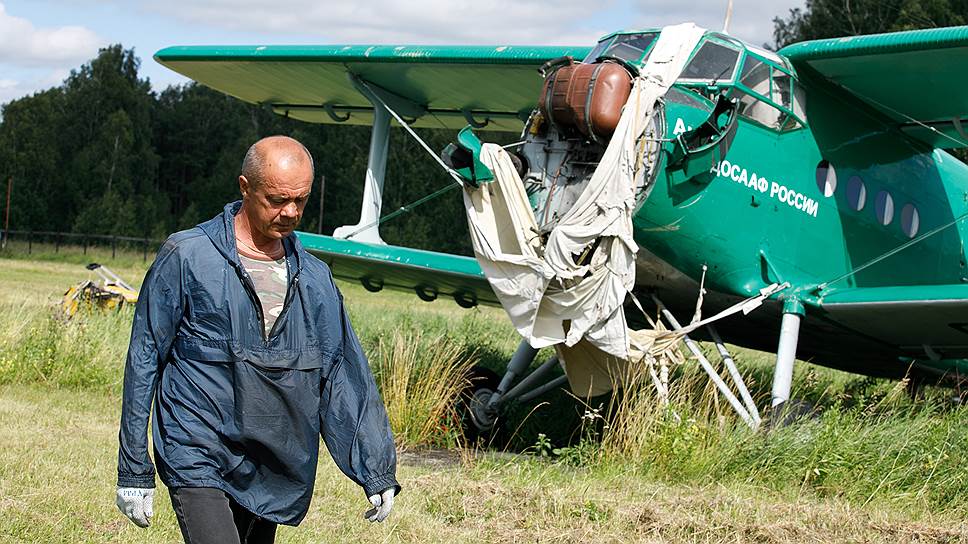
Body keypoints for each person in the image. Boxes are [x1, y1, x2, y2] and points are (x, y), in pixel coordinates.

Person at [115, 135, 400, 543]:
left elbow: (340, 375)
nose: (290, 212)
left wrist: (374, 469)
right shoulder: (188, 256)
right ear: (245, 187)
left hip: (272, 459)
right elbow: (145, 358)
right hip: (196, 446)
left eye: (300, 200)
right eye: (277, 199)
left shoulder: (316, 280)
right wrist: (133, 469)